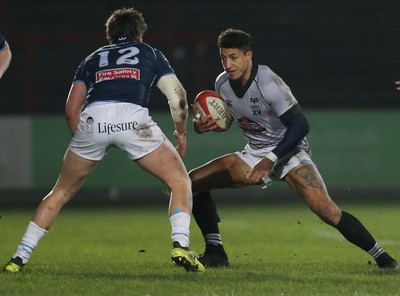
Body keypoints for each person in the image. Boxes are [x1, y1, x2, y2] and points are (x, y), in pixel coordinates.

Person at [4, 7, 204, 273]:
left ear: (109, 36)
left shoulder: (91, 59)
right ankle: (180, 245)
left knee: (59, 193)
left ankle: (18, 258)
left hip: (93, 120)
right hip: (133, 119)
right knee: (180, 181)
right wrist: (180, 133)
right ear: (140, 35)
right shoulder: (150, 53)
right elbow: (177, 97)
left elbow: (70, 110)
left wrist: (87, 139)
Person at [189, 28, 399, 269]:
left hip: (289, 151)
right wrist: (204, 126)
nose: (228, 64)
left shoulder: (268, 82)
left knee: (328, 211)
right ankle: (216, 252)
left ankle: (384, 259)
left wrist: (270, 159)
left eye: (234, 57)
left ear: (249, 56)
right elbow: (228, 118)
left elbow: (300, 125)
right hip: (255, 152)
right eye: (223, 58)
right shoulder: (222, 83)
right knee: (192, 182)